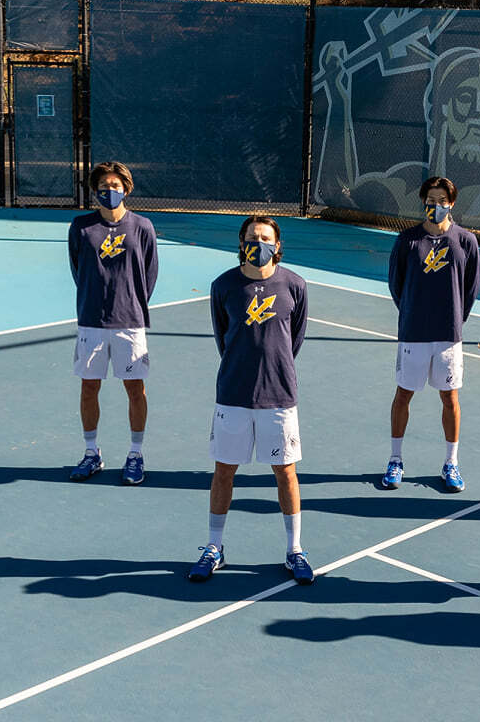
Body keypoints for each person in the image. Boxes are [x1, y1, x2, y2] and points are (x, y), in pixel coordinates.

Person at [189, 216, 313, 585]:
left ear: (278, 244)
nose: (258, 243)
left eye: (265, 238)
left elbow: (295, 340)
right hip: (233, 395)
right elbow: (222, 338)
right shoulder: (224, 286)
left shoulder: (295, 285)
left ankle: (295, 550)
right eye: (251, 237)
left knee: (285, 472)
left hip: (279, 396)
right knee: (223, 471)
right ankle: (214, 547)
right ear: (241, 241)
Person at [379, 176, 480, 493]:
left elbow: (470, 288)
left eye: (442, 200)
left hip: (448, 335)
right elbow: (396, 284)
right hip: (413, 333)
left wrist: (452, 320)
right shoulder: (408, 240)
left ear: (452, 203)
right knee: (403, 395)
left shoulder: (465, 241)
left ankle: (451, 463)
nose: (435, 205)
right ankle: (395, 460)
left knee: (450, 398)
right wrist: (412, 313)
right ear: (423, 201)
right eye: (430, 199)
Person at [66, 160, 160, 484]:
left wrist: (129, 301)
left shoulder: (143, 227)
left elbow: (149, 273)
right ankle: (92, 453)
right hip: (91, 321)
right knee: (89, 387)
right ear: (95, 191)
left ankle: (135, 454)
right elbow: (78, 270)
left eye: (115, 187)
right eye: (104, 187)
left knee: (135, 389)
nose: (110, 192)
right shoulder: (81, 227)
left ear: (126, 189)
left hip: (130, 322)